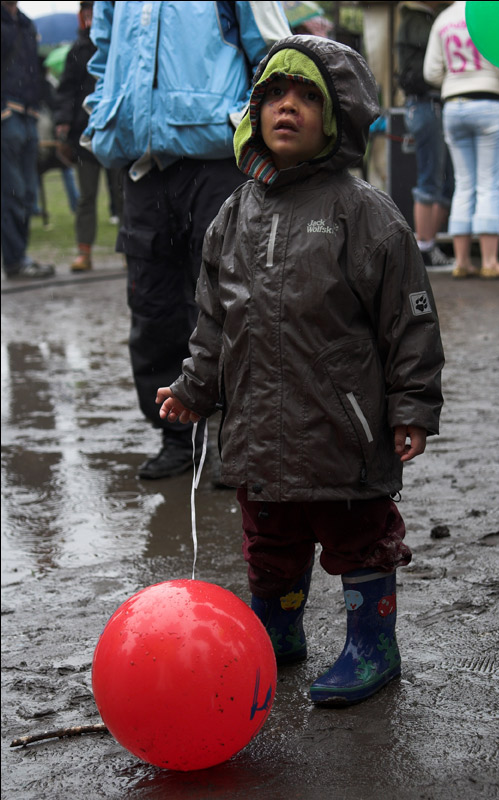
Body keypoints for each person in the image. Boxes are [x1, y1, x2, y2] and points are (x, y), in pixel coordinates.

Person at [156, 34, 445, 706]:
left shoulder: (362, 212)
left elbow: (409, 315)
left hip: (340, 429)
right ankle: (277, 628)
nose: (287, 106)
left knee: (358, 538)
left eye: (307, 96)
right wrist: (197, 387)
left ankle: (373, 643)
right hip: (258, 428)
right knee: (269, 537)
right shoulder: (232, 215)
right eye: (273, 94)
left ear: (337, 115)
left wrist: (410, 404)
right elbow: (213, 319)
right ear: (254, 111)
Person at [81, 1, 291, 479]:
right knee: (153, 307)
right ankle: (179, 437)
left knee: (231, 301)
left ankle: (235, 440)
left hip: (218, 162)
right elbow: (104, 55)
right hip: (143, 165)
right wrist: (102, 114)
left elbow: (277, 54)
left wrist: (244, 121)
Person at [423, 0, 499, 279]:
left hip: (454, 106)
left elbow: (430, 72)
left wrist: (457, 80)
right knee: (490, 182)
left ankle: (462, 261)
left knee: (464, 183)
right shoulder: (490, 16)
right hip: (491, 103)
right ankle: (490, 261)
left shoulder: (444, 19)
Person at [54, 0, 122, 273]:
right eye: (86, 10)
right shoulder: (77, 50)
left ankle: (131, 250)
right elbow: (66, 91)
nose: (91, 15)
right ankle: (84, 251)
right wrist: (62, 123)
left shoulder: (119, 45)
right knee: (87, 197)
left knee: (123, 195)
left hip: (116, 132)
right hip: (85, 136)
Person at [396, 0, 454, 270]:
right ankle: (424, 248)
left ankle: (429, 245)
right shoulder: (417, 21)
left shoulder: (420, 19)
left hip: (428, 106)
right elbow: (427, 70)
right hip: (425, 105)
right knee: (431, 178)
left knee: (444, 181)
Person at [1, 0, 55, 279]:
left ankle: (19, 256)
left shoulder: (25, 23)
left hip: (29, 115)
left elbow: (34, 71)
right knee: (12, 192)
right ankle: (14, 260)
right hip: (8, 116)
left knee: (27, 194)